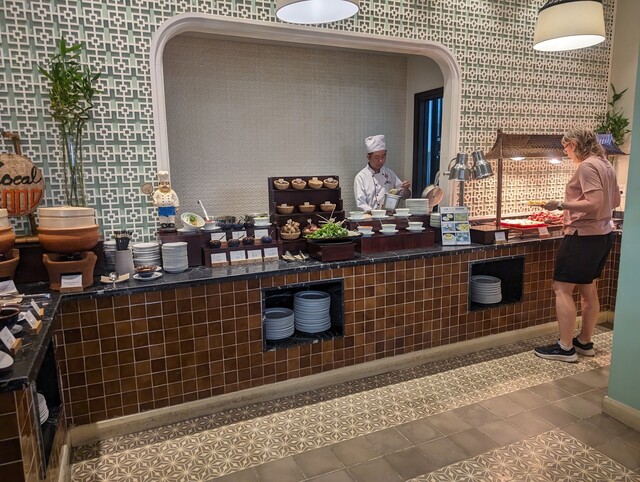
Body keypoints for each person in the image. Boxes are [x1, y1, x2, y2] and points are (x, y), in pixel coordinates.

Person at [534, 128, 620, 363]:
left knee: (562, 288)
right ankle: (584, 341)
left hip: (583, 236)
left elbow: (595, 202)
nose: (566, 152)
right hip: (603, 234)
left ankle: (565, 347)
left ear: (574, 144)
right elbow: (614, 201)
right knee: (588, 287)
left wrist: (560, 205)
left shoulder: (587, 166)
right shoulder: (606, 164)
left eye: (565, 147)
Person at [354, 134, 411, 212]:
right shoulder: (361, 177)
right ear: (368, 157)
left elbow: (404, 195)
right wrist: (378, 213)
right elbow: (361, 204)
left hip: (389, 217)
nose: (380, 160)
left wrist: (406, 189)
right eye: (376, 157)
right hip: (369, 217)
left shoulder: (389, 174)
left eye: (383, 157)